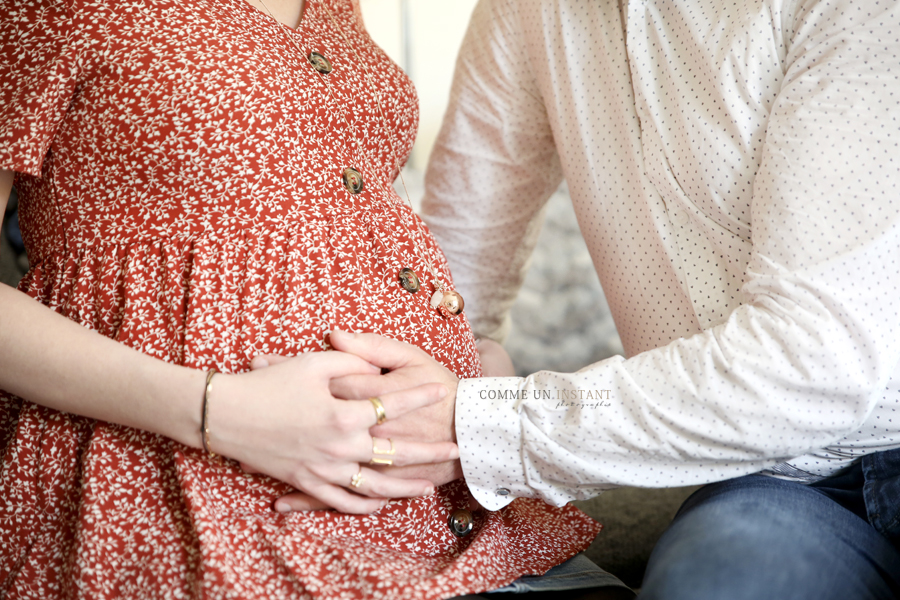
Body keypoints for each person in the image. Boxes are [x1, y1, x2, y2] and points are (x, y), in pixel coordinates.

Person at [0, 0, 634, 598]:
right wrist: (215, 411)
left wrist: (475, 355)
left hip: (464, 519)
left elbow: (335, 206)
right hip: (198, 510)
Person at [286, 0, 900, 598]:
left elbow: (816, 364)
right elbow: (447, 282)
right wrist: (390, 406)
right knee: (711, 585)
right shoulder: (525, 11)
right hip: (774, 487)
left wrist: (478, 423)